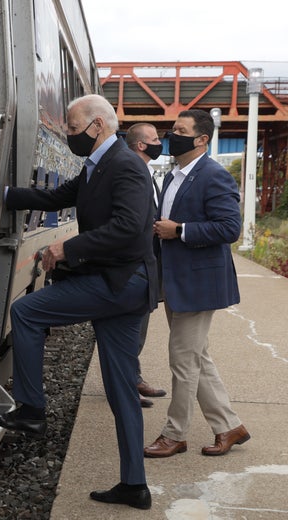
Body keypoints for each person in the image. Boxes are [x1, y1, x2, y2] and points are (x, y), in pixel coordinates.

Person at [0, 94, 158, 510]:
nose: (67, 133)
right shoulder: (98, 166)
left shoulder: (126, 166)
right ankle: (134, 485)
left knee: (26, 311)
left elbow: (130, 228)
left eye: (72, 126)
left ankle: (30, 409)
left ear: (98, 125)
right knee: (120, 389)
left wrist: (68, 248)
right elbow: (56, 197)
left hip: (121, 282)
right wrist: (3, 194)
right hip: (120, 285)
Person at [144, 109, 250, 458]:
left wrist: (180, 231)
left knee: (183, 360)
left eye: (180, 130)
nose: (172, 134)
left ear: (202, 139)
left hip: (199, 284)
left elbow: (229, 229)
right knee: (197, 358)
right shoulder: (172, 176)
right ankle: (229, 426)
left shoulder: (214, 176)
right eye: (172, 128)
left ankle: (174, 435)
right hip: (176, 281)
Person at [125, 123, 168, 408]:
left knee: (139, 327)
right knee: (129, 328)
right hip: (133, 266)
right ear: (141, 145)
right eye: (154, 139)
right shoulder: (132, 171)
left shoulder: (148, 173)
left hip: (148, 264)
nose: (159, 143)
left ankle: (133, 377)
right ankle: (126, 385)